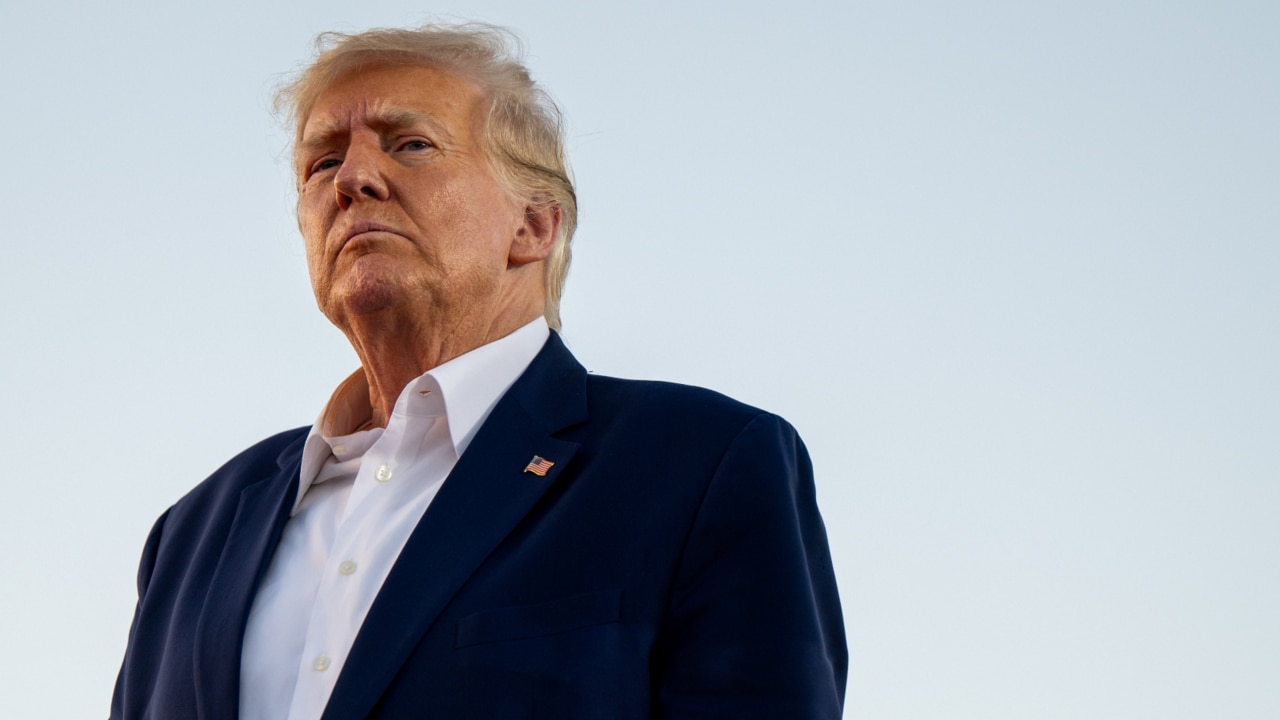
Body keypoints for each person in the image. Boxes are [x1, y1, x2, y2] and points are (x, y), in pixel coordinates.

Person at [110, 21, 846, 720]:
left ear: (534, 224)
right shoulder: (193, 531)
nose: (353, 178)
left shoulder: (700, 463)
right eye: (323, 161)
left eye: (411, 145)